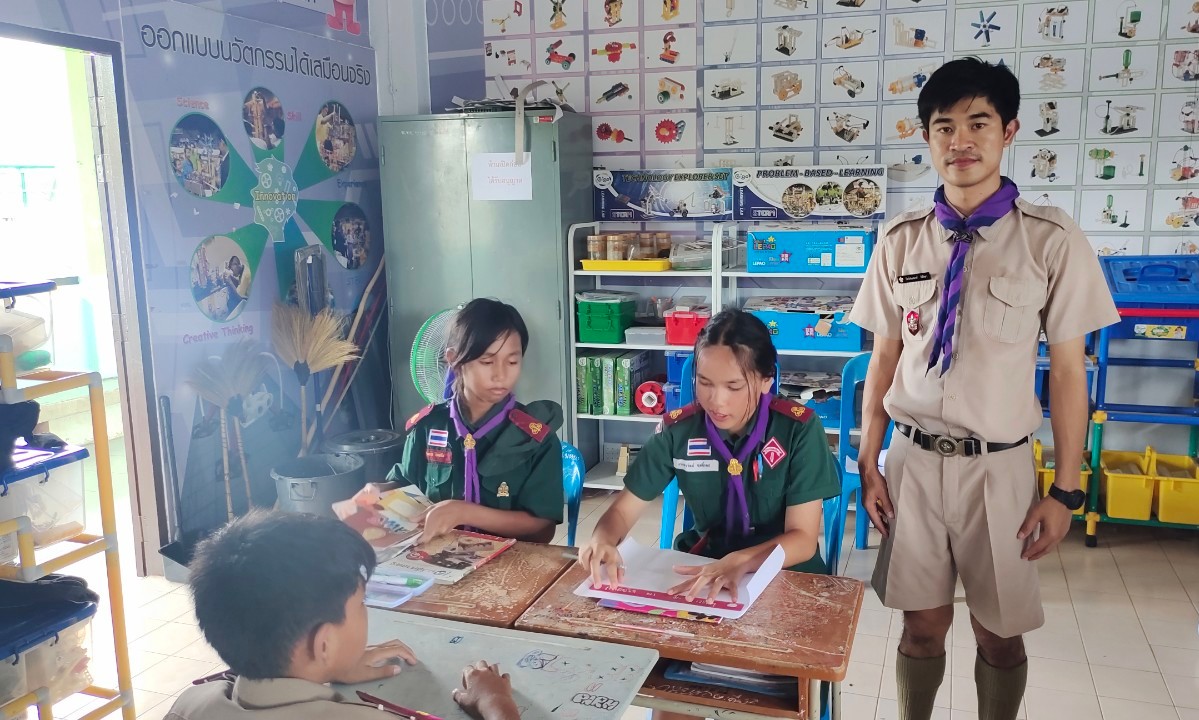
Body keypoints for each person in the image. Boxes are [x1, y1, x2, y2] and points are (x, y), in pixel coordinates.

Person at [848, 57, 1119, 720]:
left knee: (1000, 634)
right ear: (927, 138)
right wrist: (867, 460)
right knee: (921, 626)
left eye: (978, 123)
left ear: (1009, 131)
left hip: (999, 470)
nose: (960, 140)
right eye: (944, 126)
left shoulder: (1050, 240)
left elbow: (1069, 373)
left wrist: (1066, 490)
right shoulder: (899, 240)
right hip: (911, 464)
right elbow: (883, 359)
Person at [579, 308, 839, 599]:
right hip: (707, 567)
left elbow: (802, 539)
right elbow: (622, 511)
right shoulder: (678, 431)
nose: (716, 401)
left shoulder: (797, 429)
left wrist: (740, 561)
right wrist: (602, 539)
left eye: (734, 386)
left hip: (786, 572)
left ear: (766, 380)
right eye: (704, 383)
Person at [169, 510, 521, 720]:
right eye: (361, 604)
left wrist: (324, 667)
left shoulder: (190, 706)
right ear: (323, 643)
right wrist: (495, 703)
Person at [387, 298, 564, 544]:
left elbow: (543, 529)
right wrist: (377, 491)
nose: (501, 374)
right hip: (436, 553)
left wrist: (465, 512)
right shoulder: (428, 426)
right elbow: (405, 485)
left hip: (510, 560)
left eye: (512, 361)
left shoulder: (534, 438)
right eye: (487, 362)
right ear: (454, 360)